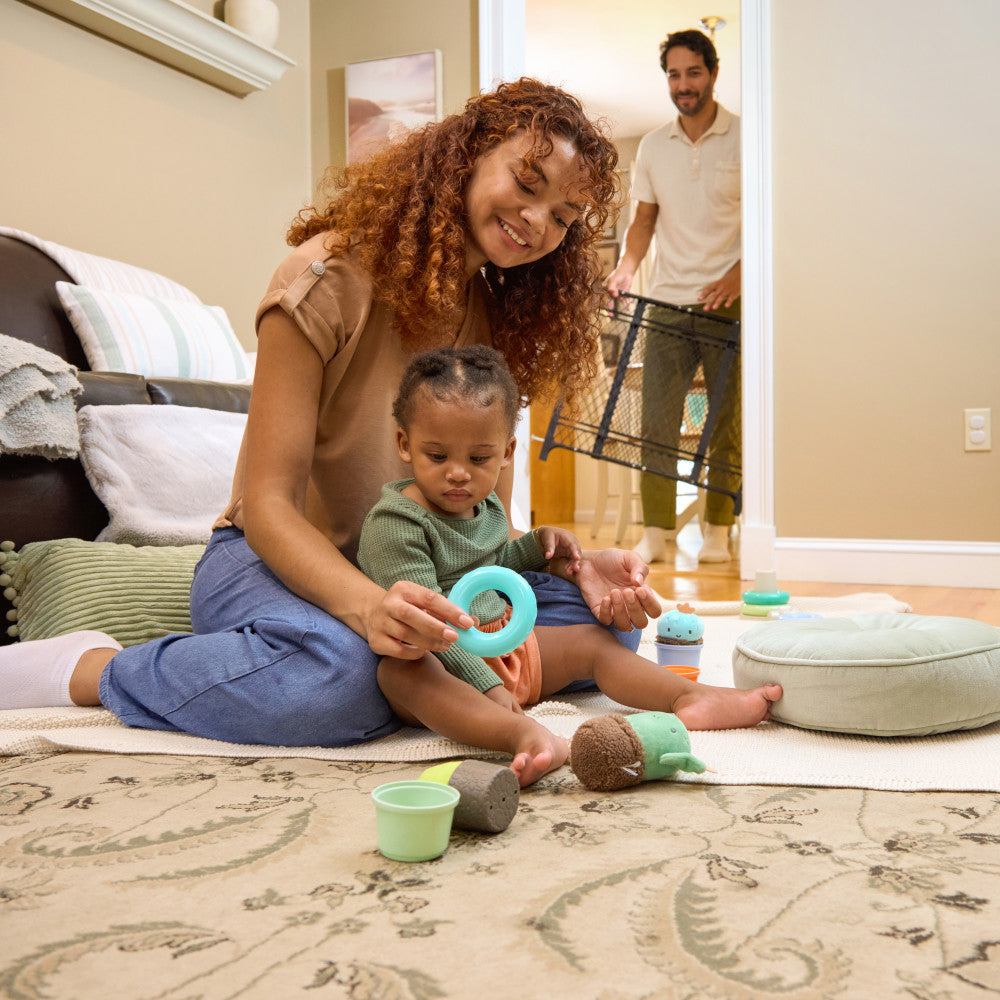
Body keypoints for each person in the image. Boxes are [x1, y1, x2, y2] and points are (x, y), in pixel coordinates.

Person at [0, 79, 670, 769]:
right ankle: (92, 669)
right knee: (341, 682)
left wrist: (575, 566)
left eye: (563, 217)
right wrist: (368, 608)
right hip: (272, 560)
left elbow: (468, 505)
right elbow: (265, 506)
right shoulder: (325, 278)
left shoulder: (493, 322)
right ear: (466, 156)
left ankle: (397, 667)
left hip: (418, 570)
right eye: (527, 183)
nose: (537, 220)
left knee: (606, 631)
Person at [357, 345, 781, 785]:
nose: (459, 474)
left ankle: (690, 695)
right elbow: (427, 625)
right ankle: (522, 734)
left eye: (478, 459)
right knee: (400, 673)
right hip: (442, 658)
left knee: (592, 645)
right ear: (405, 445)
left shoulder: (483, 508)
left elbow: (493, 562)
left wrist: (539, 546)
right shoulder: (397, 524)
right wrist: (491, 690)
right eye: (438, 456)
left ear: (506, 451)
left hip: (505, 643)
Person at [605, 29, 742, 564]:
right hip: (664, 302)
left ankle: (717, 532)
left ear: (712, 72)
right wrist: (625, 268)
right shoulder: (652, 147)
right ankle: (657, 534)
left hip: (725, 303)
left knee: (724, 424)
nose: (683, 85)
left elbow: (766, 222)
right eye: (673, 75)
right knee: (656, 423)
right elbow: (644, 221)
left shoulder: (744, 137)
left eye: (692, 72)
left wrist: (741, 274)